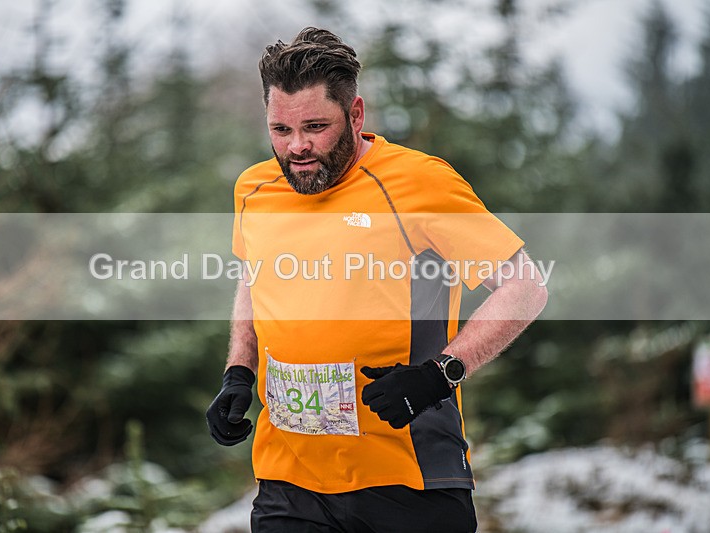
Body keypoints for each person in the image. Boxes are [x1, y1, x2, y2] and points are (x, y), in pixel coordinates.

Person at [206, 27, 549, 533]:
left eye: (315, 127)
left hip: (407, 480)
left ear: (356, 114)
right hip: (289, 483)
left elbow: (526, 286)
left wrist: (441, 373)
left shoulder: (418, 182)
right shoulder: (255, 189)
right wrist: (240, 369)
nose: (297, 147)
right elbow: (254, 279)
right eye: (280, 130)